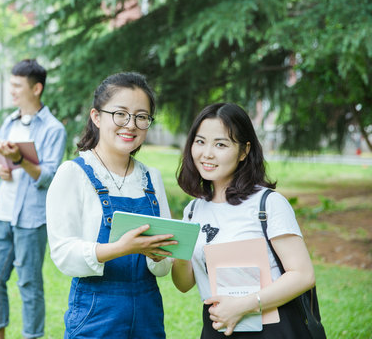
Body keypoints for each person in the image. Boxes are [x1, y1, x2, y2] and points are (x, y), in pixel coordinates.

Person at [46, 72, 176, 339]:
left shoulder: (151, 178)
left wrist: (157, 256)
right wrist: (120, 249)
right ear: (96, 116)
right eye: (120, 114)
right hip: (96, 312)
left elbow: (165, 265)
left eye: (141, 116)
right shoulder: (73, 173)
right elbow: (62, 253)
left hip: (148, 312)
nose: (131, 125)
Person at [172, 103, 316, 338]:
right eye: (200, 142)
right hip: (217, 327)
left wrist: (243, 305)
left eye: (220, 144)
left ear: (243, 151)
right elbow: (184, 284)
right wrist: (175, 250)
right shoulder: (193, 210)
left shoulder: (268, 203)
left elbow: (302, 275)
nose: (207, 153)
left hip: (271, 328)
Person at [0, 59, 67, 339]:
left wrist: (21, 159)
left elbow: (49, 177)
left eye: (18, 86)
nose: (12, 91)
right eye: (12, 84)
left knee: (29, 284)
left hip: (31, 218)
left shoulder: (53, 129)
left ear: (37, 88)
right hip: (2, 213)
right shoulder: (9, 121)